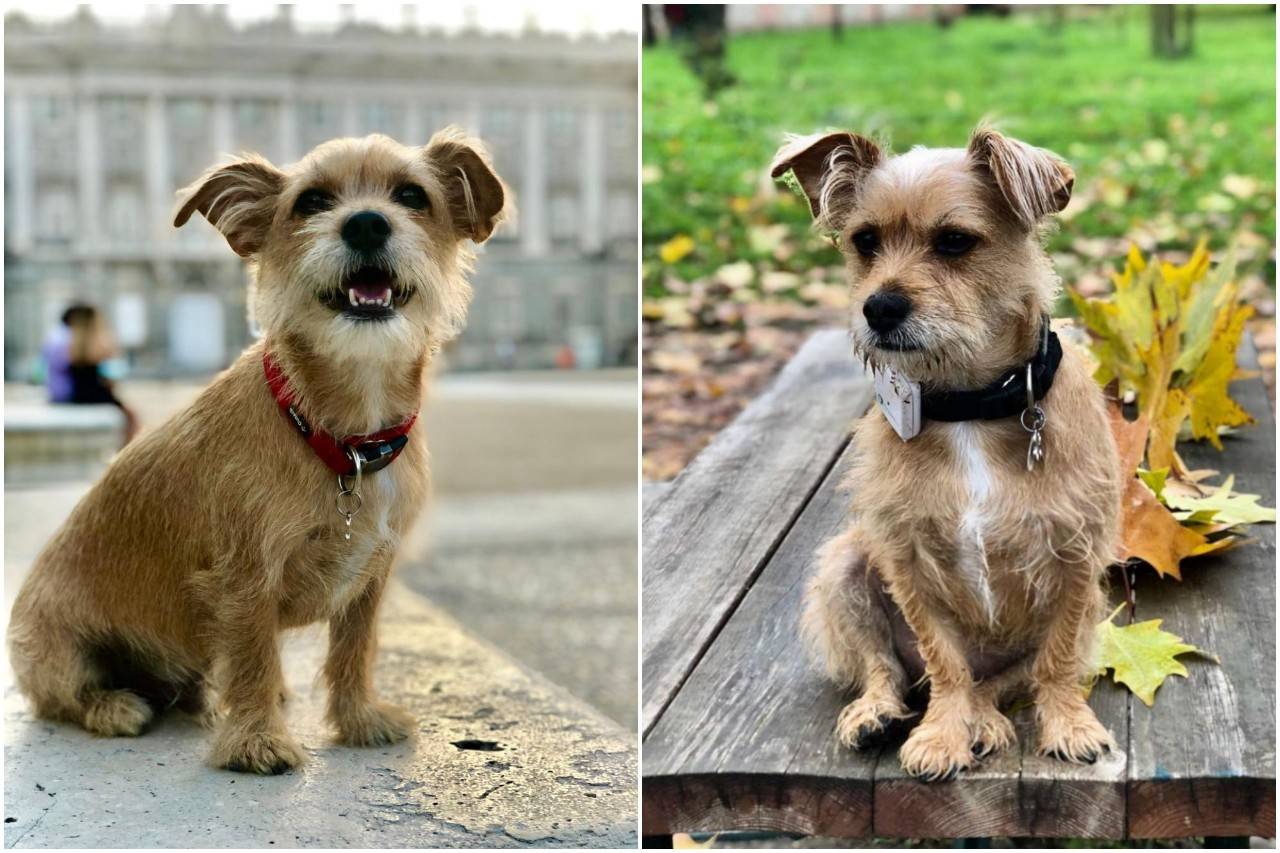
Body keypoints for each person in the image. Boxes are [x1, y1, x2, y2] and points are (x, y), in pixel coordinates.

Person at [48, 302, 139, 444]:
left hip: (80, 392)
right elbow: (111, 370)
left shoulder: (68, 342)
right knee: (131, 416)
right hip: (92, 393)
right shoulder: (94, 343)